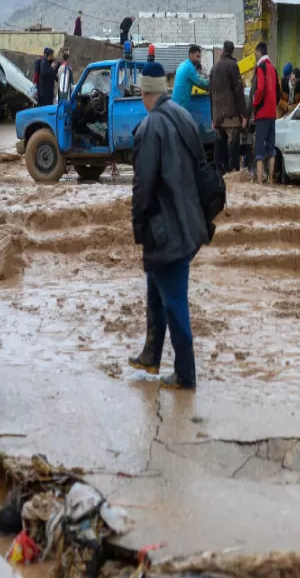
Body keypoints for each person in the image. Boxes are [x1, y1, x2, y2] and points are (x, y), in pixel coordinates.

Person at [128, 62, 211, 391]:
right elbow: (201, 166)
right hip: (189, 223)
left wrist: (138, 227)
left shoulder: (150, 128)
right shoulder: (183, 116)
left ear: (145, 92)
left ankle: (185, 373)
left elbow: (142, 187)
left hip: (167, 229)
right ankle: (151, 354)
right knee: (156, 288)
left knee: (175, 300)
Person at [210, 40, 247, 172]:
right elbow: (238, 92)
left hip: (218, 116)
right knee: (233, 146)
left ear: (222, 50)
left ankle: (220, 175)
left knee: (220, 148)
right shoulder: (233, 66)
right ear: (232, 51)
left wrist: (213, 117)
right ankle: (233, 174)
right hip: (230, 116)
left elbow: (211, 94)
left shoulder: (214, 68)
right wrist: (244, 114)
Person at [247, 41, 279, 184]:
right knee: (271, 148)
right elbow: (278, 92)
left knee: (259, 149)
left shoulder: (261, 67)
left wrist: (255, 104)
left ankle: (260, 181)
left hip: (262, 114)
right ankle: (271, 180)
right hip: (273, 114)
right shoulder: (273, 68)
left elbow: (259, 90)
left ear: (259, 53)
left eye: (255, 53)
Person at [173, 44, 209, 109]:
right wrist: (212, 79)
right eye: (197, 57)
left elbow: (196, 80)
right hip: (180, 104)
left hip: (175, 102)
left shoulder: (183, 64)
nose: (199, 60)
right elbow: (201, 83)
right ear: (191, 55)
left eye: (199, 57)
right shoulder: (190, 68)